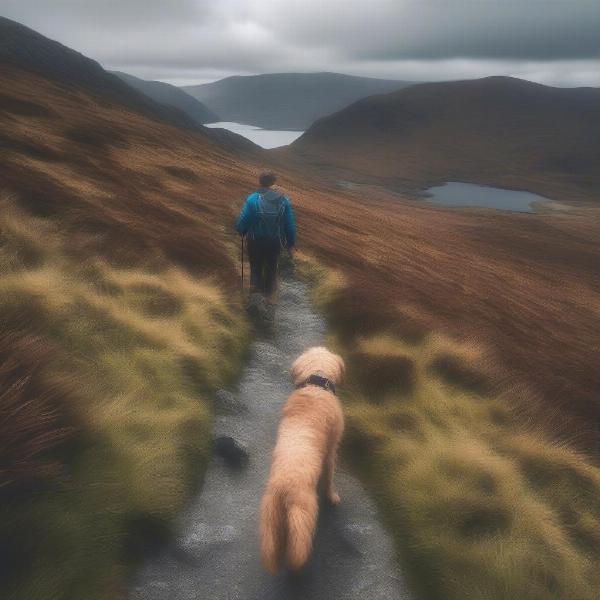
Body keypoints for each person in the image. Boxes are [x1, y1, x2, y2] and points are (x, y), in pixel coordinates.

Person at [235, 171, 296, 303]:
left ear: (260, 182)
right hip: (274, 242)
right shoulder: (283, 200)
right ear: (273, 183)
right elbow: (289, 224)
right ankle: (268, 300)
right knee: (271, 268)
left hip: (255, 240)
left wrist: (241, 230)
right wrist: (290, 244)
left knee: (255, 266)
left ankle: (254, 298)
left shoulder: (252, 198)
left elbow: (244, 219)